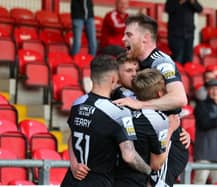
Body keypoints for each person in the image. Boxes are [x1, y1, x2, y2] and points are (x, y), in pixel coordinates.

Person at [114, 14, 189, 186]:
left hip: (165, 145)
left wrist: (141, 104)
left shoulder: (160, 62)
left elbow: (179, 98)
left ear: (146, 38)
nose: (123, 38)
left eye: (129, 34)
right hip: (148, 142)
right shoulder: (137, 63)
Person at [60, 55, 152, 187]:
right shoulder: (119, 112)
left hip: (71, 180)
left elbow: (72, 137)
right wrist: (149, 170)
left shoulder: (78, 103)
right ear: (114, 79)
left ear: (91, 77)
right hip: (98, 181)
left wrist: (74, 163)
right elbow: (129, 156)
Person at [115, 69, 180, 187]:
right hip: (136, 180)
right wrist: (170, 129)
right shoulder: (158, 119)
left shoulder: (122, 108)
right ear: (160, 93)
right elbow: (156, 164)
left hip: (112, 176)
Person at [193, 79, 217, 184]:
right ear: (208, 91)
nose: (215, 92)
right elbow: (204, 123)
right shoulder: (201, 105)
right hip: (204, 153)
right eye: (212, 89)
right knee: (199, 183)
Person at [165, 0, 203, 64]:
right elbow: (168, 9)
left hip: (189, 34)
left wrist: (192, 2)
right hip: (175, 34)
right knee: (177, 58)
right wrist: (180, 1)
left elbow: (200, 9)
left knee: (188, 58)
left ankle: (186, 72)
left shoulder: (191, 1)